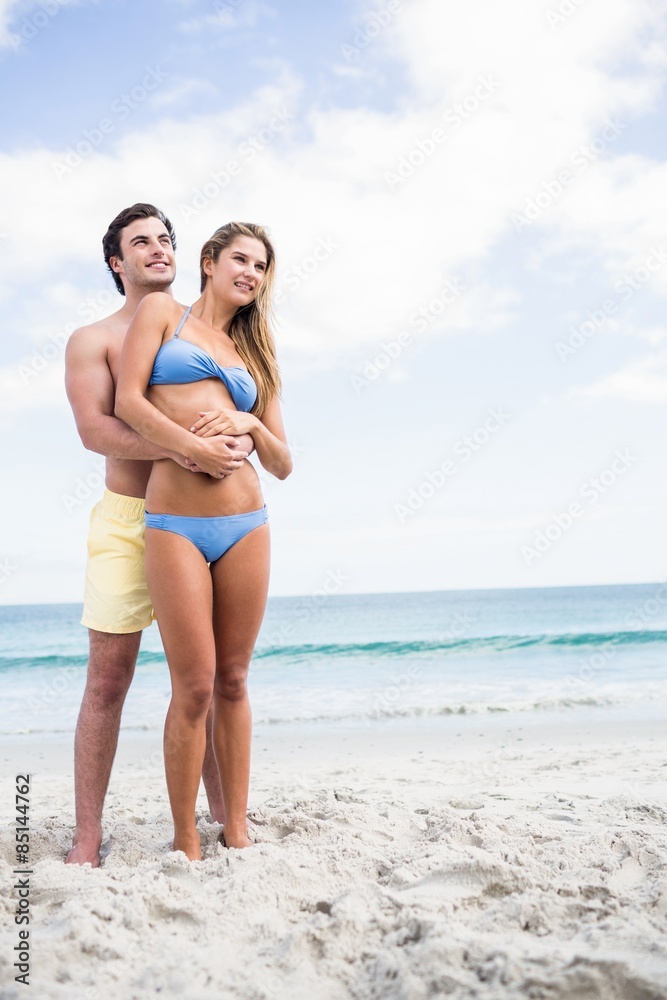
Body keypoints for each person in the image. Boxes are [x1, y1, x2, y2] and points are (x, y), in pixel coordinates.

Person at [64, 204, 254, 866]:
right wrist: (180, 450)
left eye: (166, 239)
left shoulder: (203, 330)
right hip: (126, 521)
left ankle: (224, 817)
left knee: (199, 678)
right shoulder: (92, 338)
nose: (158, 249)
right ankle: (87, 838)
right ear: (117, 262)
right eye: (140, 242)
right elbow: (96, 429)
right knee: (109, 678)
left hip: (201, 518)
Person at [115, 221, 292, 859]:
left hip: (247, 522)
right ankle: (186, 837)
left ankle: (236, 828)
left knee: (235, 679)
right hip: (175, 524)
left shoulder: (258, 350)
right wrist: (191, 448)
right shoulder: (165, 313)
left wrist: (247, 419)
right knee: (192, 685)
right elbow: (130, 401)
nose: (251, 273)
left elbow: (282, 461)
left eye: (262, 266)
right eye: (240, 259)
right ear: (210, 262)